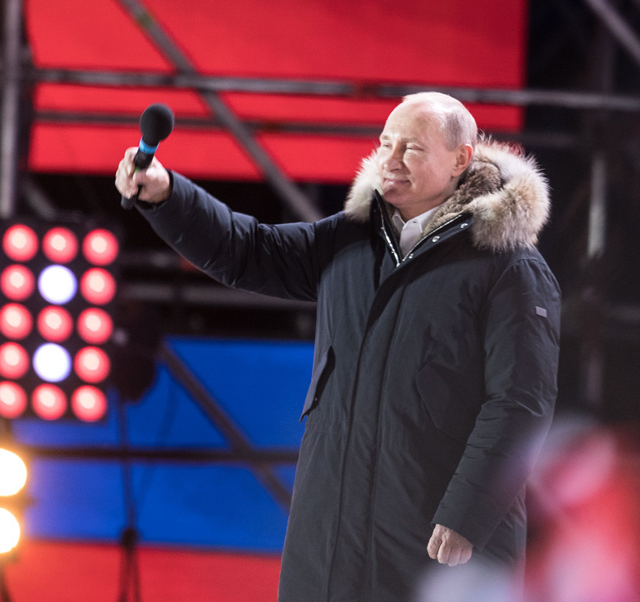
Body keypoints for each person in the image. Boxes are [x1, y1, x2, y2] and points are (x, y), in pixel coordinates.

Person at [115, 92, 560, 602]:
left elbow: (520, 404)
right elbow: (248, 250)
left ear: (461, 159)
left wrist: (468, 515)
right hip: (328, 546)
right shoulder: (349, 239)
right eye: (386, 143)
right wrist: (168, 196)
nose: (390, 160)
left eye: (412, 148)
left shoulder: (508, 266)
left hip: (438, 546)